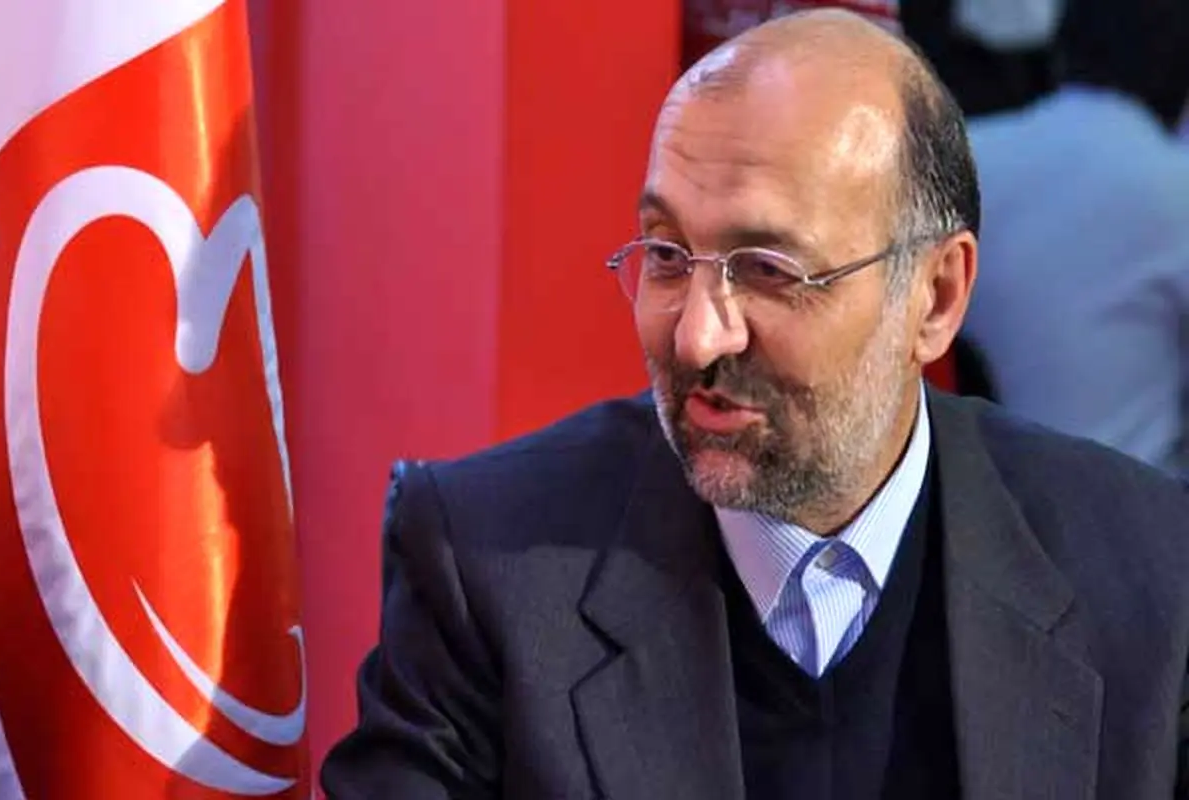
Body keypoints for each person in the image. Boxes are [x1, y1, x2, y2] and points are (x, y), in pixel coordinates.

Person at [321, 10, 1189, 798]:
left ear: (934, 297)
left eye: (769, 271)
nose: (699, 337)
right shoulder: (487, 562)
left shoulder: (1148, 571)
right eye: (667, 255)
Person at [961, 0, 1189, 475]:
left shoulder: (967, 156)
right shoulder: (1170, 186)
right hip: (1127, 499)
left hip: (971, 497)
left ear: (1063, 50)